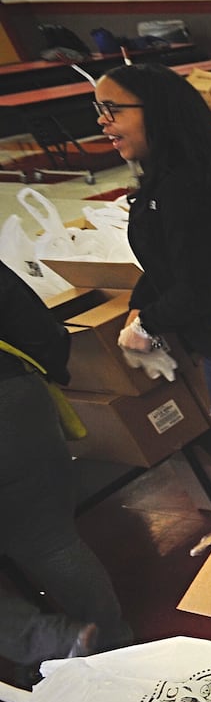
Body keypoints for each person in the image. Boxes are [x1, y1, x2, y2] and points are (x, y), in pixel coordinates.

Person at [95, 63, 211, 507]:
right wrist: (142, 305)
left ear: (157, 111)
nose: (102, 122)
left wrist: (148, 324)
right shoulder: (172, 176)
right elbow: (171, 265)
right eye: (100, 110)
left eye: (113, 109)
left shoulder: (183, 187)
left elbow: (201, 284)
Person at [1, 261, 133, 671]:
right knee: (50, 540)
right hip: (13, 398)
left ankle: (46, 640)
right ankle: (116, 645)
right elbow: (38, 326)